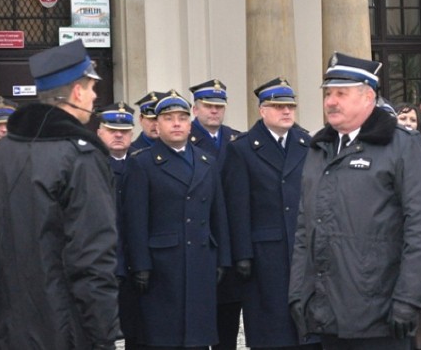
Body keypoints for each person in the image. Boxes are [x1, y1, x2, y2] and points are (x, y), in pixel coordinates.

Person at [289, 52, 421, 350]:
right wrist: (299, 292)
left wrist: (409, 299)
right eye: (328, 93)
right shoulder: (320, 149)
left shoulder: (403, 146)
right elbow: (304, 227)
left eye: (341, 93)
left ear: (368, 97)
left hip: (381, 313)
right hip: (327, 311)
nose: (331, 101)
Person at [0, 39, 121, 349]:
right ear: (77, 92)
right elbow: (92, 258)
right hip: (65, 330)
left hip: (7, 327)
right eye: (92, 88)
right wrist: (103, 337)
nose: (95, 97)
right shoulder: (80, 156)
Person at [123, 90, 231, 349]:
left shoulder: (206, 161)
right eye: (169, 119)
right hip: (163, 264)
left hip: (201, 259)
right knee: (165, 336)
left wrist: (223, 258)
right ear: (157, 124)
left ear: (190, 123)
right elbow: (136, 220)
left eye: (182, 118)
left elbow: (219, 214)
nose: (176, 124)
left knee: (198, 335)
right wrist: (140, 265)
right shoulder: (144, 163)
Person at [221, 77, 320, 350]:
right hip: (264, 252)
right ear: (262, 110)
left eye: (290, 106)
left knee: (307, 327)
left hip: (302, 249)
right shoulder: (241, 149)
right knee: (271, 328)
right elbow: (237, 206)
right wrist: (242, 254)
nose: (286, 111)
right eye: (278, 106)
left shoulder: (306, 143)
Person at [188, 79, 243, 350]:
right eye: (208, 106)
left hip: (230, 240)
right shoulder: (184, 140)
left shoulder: (237, 140)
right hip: (198, 240)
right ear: (195, 109)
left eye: (219, 107)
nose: (214, 112)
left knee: (228, 325)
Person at [96, 102, 142, 350]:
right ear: (99, 132)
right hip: (104, 266)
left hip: (139, 269)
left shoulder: (143, 163)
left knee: (138, 333)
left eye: (124, 130)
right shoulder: (90, 165)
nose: (118, 135)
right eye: (112, 129)